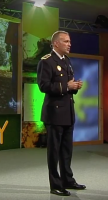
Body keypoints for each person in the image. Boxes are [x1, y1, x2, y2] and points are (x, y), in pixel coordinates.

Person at [37, 30, 86, 196]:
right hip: (54, 113)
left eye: (69, 41)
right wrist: (67, 87)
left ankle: (67, 180)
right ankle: (55, 184)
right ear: (56, 43)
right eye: (66, 41)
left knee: (66, 150)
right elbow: (43, 86)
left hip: (68, 112)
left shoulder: (67, 61)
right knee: (54, 151)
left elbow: (68, 84)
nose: (69, 44)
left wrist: (74, 87)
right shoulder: (47, 62)